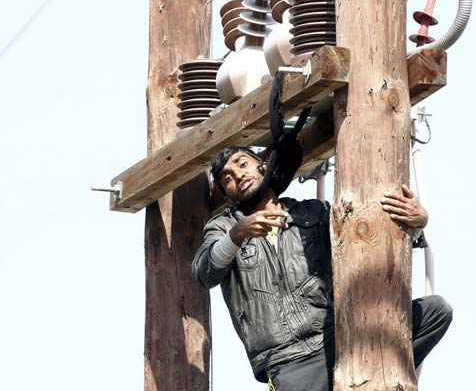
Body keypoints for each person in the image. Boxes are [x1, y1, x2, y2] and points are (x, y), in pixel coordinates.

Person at [192, 146, 452, 391]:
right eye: (228, 177)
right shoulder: (224, 228)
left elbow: (368, 237)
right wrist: (237, 234)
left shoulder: (312, 213)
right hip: (288, 359)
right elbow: (204, 274)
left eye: (242, 164)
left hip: (339, 337)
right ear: (226, 195)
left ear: (262, 166)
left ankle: (372, 373)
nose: (238, 175)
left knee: (435, 312)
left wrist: (417, 222)